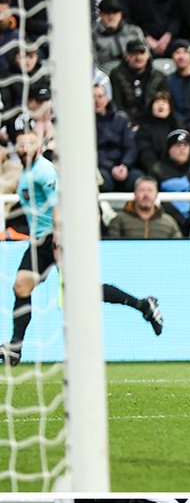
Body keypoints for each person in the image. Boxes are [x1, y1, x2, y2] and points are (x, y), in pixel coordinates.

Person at [1, 133, 162, 365]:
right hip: (39, 240)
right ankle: (15, 348)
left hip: (59, 238)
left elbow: (60, 206)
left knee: (84, 291)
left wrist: (59, 239)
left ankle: (143, 305)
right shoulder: (25, 171)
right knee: (21, 286)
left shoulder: (44, 172)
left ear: (39, 146)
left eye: (30, 143)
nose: (24, 148)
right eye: (21, 144)